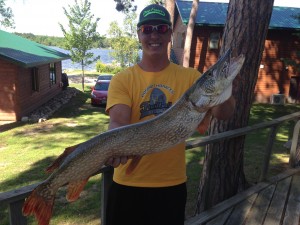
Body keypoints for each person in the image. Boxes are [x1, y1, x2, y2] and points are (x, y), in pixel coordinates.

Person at [105, 4, 236, 225]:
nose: (154, 34)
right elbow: (118, 122)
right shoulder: (122, 79)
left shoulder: (192, 78)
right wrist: (112, 148)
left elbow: (224, 113)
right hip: (127, 187)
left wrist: (224, 86)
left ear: (169, 34)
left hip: (171, 187)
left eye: (162, 29)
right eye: (147, 29)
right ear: (138, 34)